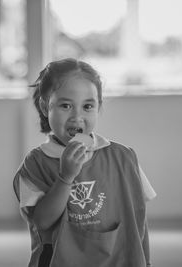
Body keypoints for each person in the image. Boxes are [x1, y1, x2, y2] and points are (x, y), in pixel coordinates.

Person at [13, 58, 157, 267]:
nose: (77, 116)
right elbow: (41, 221)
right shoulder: (35, 164)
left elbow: (137, 217)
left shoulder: (124, 157)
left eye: (87, 106)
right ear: (45, 107)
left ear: (99, 106)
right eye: (65, 105)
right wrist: (65, 177)